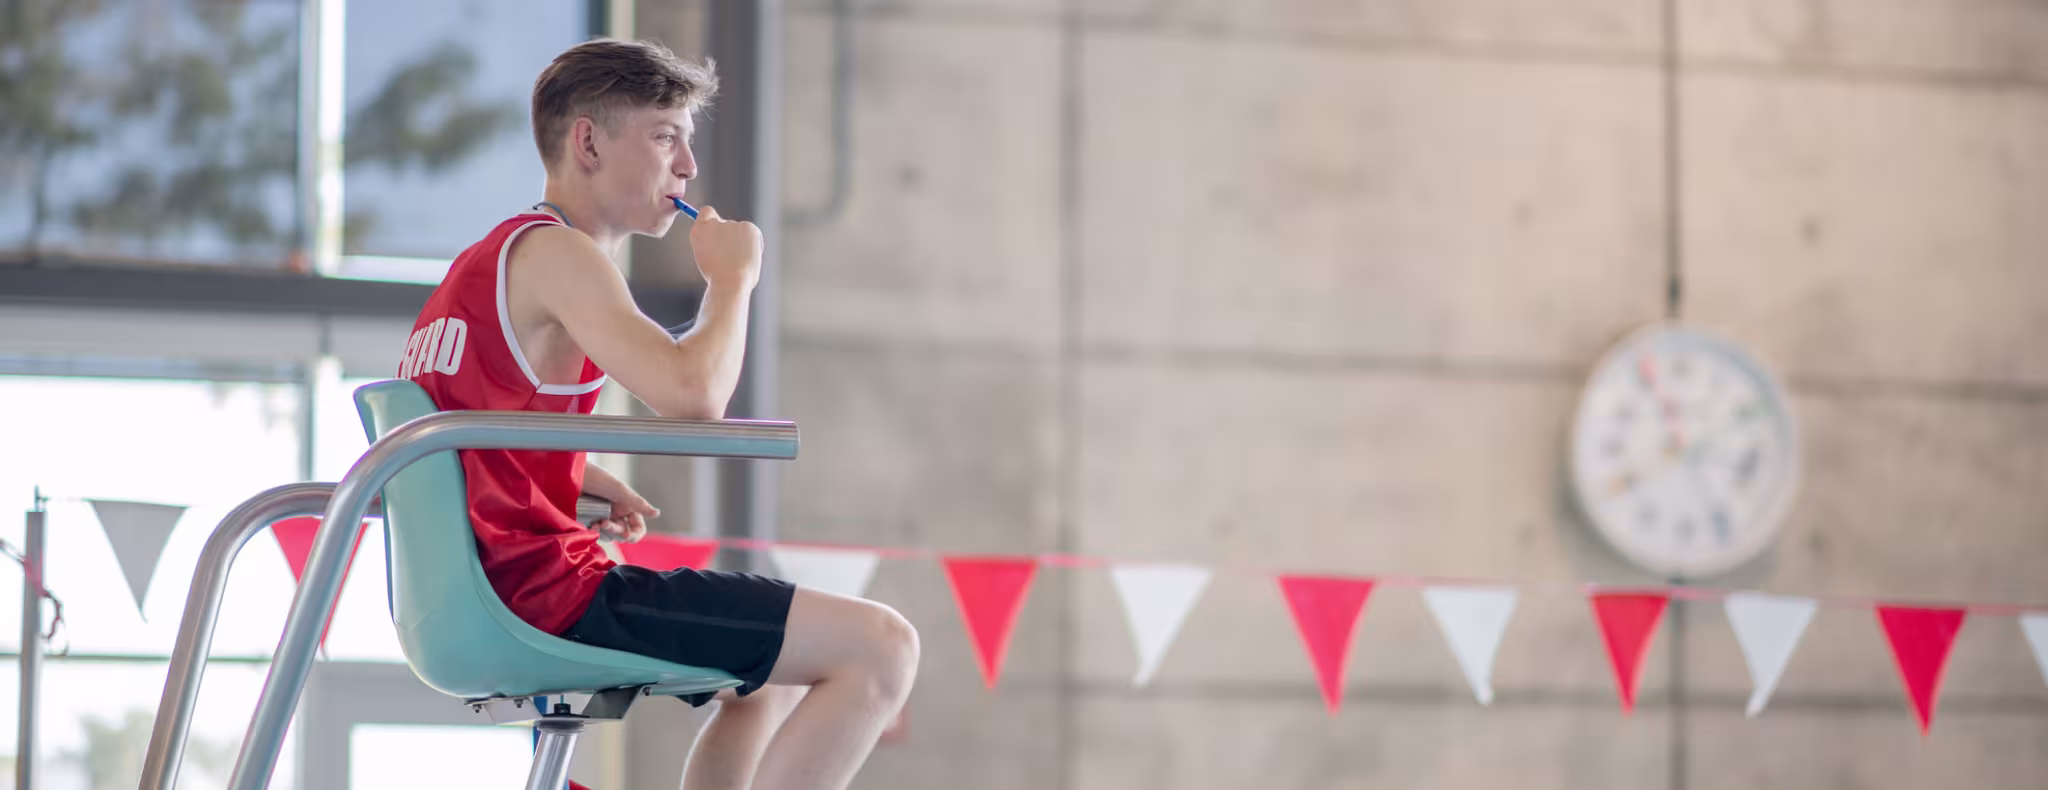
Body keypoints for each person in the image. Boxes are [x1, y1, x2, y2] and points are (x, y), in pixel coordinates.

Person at [396, 37, 918, 790]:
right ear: (588, 142)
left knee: (758, 681)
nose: (689, 168)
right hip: (546, 595)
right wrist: (732, 281)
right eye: (666, 136)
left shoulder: (480, 266)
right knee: (882, 648)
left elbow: (458, 444)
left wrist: (567, 479)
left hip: (474, 600)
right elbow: (694, 394)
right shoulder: (561, 257)